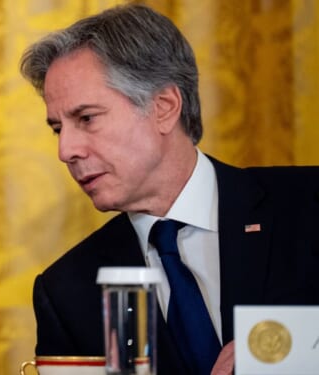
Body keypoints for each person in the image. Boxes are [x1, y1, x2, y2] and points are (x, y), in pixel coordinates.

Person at [19, 4, 319, 375]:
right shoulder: (67, 291)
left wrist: (289, 349)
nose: (66, 151)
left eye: (86, 118)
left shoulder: (307, 206)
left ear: (164, 107)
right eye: (57, 129)